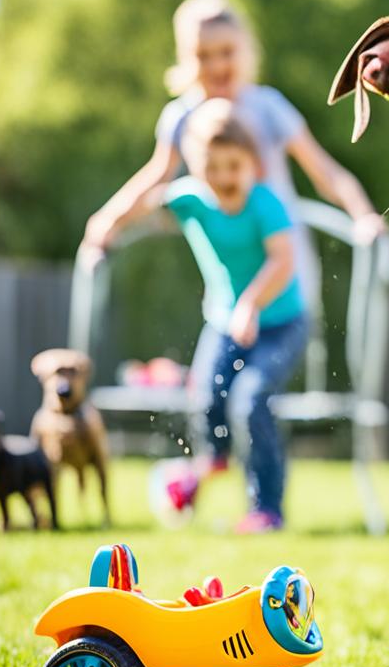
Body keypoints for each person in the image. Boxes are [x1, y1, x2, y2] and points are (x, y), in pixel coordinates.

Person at [84, 99, 306, 533]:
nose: (224, 178)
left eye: (233, 166)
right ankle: (213, 460)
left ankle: (266, 508)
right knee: (205, 395)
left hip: (280, 322)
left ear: (252, 164)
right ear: (195, 168)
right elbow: (146, 202)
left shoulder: (265, 203)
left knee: (250, 399)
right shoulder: (189, 200)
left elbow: (283, 262)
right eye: (212, 168)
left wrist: (251, 304)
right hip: (224, 322)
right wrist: (105, 230)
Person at [82, 0, 387, 288]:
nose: (216, 65)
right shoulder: (182, 117)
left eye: (226, 52)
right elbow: (155, 178)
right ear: (186, 59)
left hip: (285, 270)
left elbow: (325, 171)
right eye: (203, 55)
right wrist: (106, 222)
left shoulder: (268, 108)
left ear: (245, 50)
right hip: (230, 277)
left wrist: (363, 215)